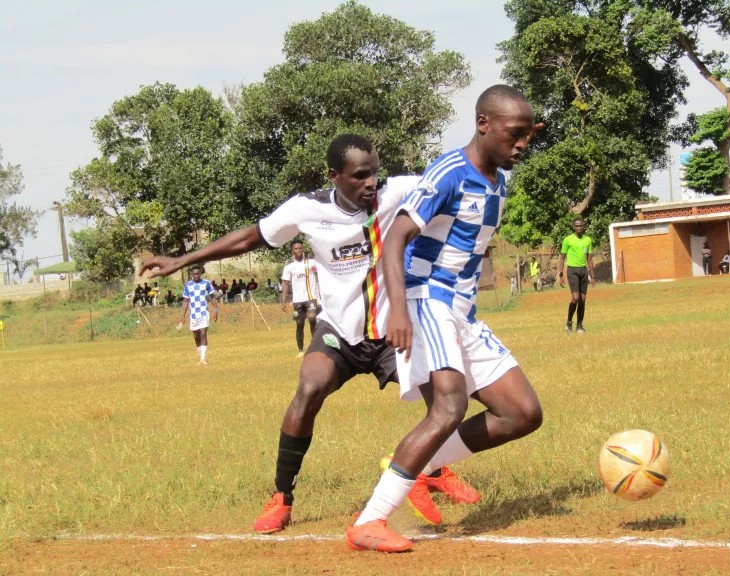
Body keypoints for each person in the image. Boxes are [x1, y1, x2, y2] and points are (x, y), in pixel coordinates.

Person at [139, 134, 475, 536]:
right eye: (360, 175)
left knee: (444, 398)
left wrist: (500, 142)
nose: (371, 182)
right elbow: (248, 237)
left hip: (392, 331)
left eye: (374, 173)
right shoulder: (306, 209)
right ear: (334, 176)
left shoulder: (398, 192)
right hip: (339, 332)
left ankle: (433, 470)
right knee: (309, 390)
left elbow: (455, 179)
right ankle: (282, 497)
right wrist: (183, 260)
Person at [347, 85, 544, 552]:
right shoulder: (449, 172)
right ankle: (370, 522)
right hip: (426, 299)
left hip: (461, 309)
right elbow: (395, 238)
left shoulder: (497, 181)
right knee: (449, 407)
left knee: (521, 413)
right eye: (515, 134)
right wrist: (398, 308)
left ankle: (423, 467)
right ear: (483, 124)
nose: (522, 145)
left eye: (528, 136)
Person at [281, 241, 321, 358]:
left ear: (303, 249)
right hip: (298, 300)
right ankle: (300, 350)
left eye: (300, 248)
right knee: (300, 324)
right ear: (292, 251)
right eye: (296, 249)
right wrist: (283, 301)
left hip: (311, 297)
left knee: (312, 319)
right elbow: (285, 284)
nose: (298, 250)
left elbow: (321, 272)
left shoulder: (311, 263)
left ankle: (315, 348)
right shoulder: (289, 267)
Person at [557, 218, 595, 334]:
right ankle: (569, 322)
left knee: (583, 299)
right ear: (573, 227)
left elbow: (589, 259)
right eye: (576, 226)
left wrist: (592, 276)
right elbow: (562, 257)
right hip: (572, 270)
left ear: (583, 226)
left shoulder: (587, 240)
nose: (579, 228)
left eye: (580, 226)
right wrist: (561, 275)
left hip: (583, 270)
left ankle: (579, 326)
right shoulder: (568, 239)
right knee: (575, 298)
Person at [178, 265, 218, 365]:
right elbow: (186, 301)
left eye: (198, 274)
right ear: (192, 275)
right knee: (196, 335)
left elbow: (212, 296)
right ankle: (201, 358)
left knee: (203, 333)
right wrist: (182, 315)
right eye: (194, 274)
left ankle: (203, 358)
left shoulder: (206, 283)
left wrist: (215, 309)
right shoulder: (188, 285)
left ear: (200, 274)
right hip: (193, 314)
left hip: (204, 312)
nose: (196, 275)